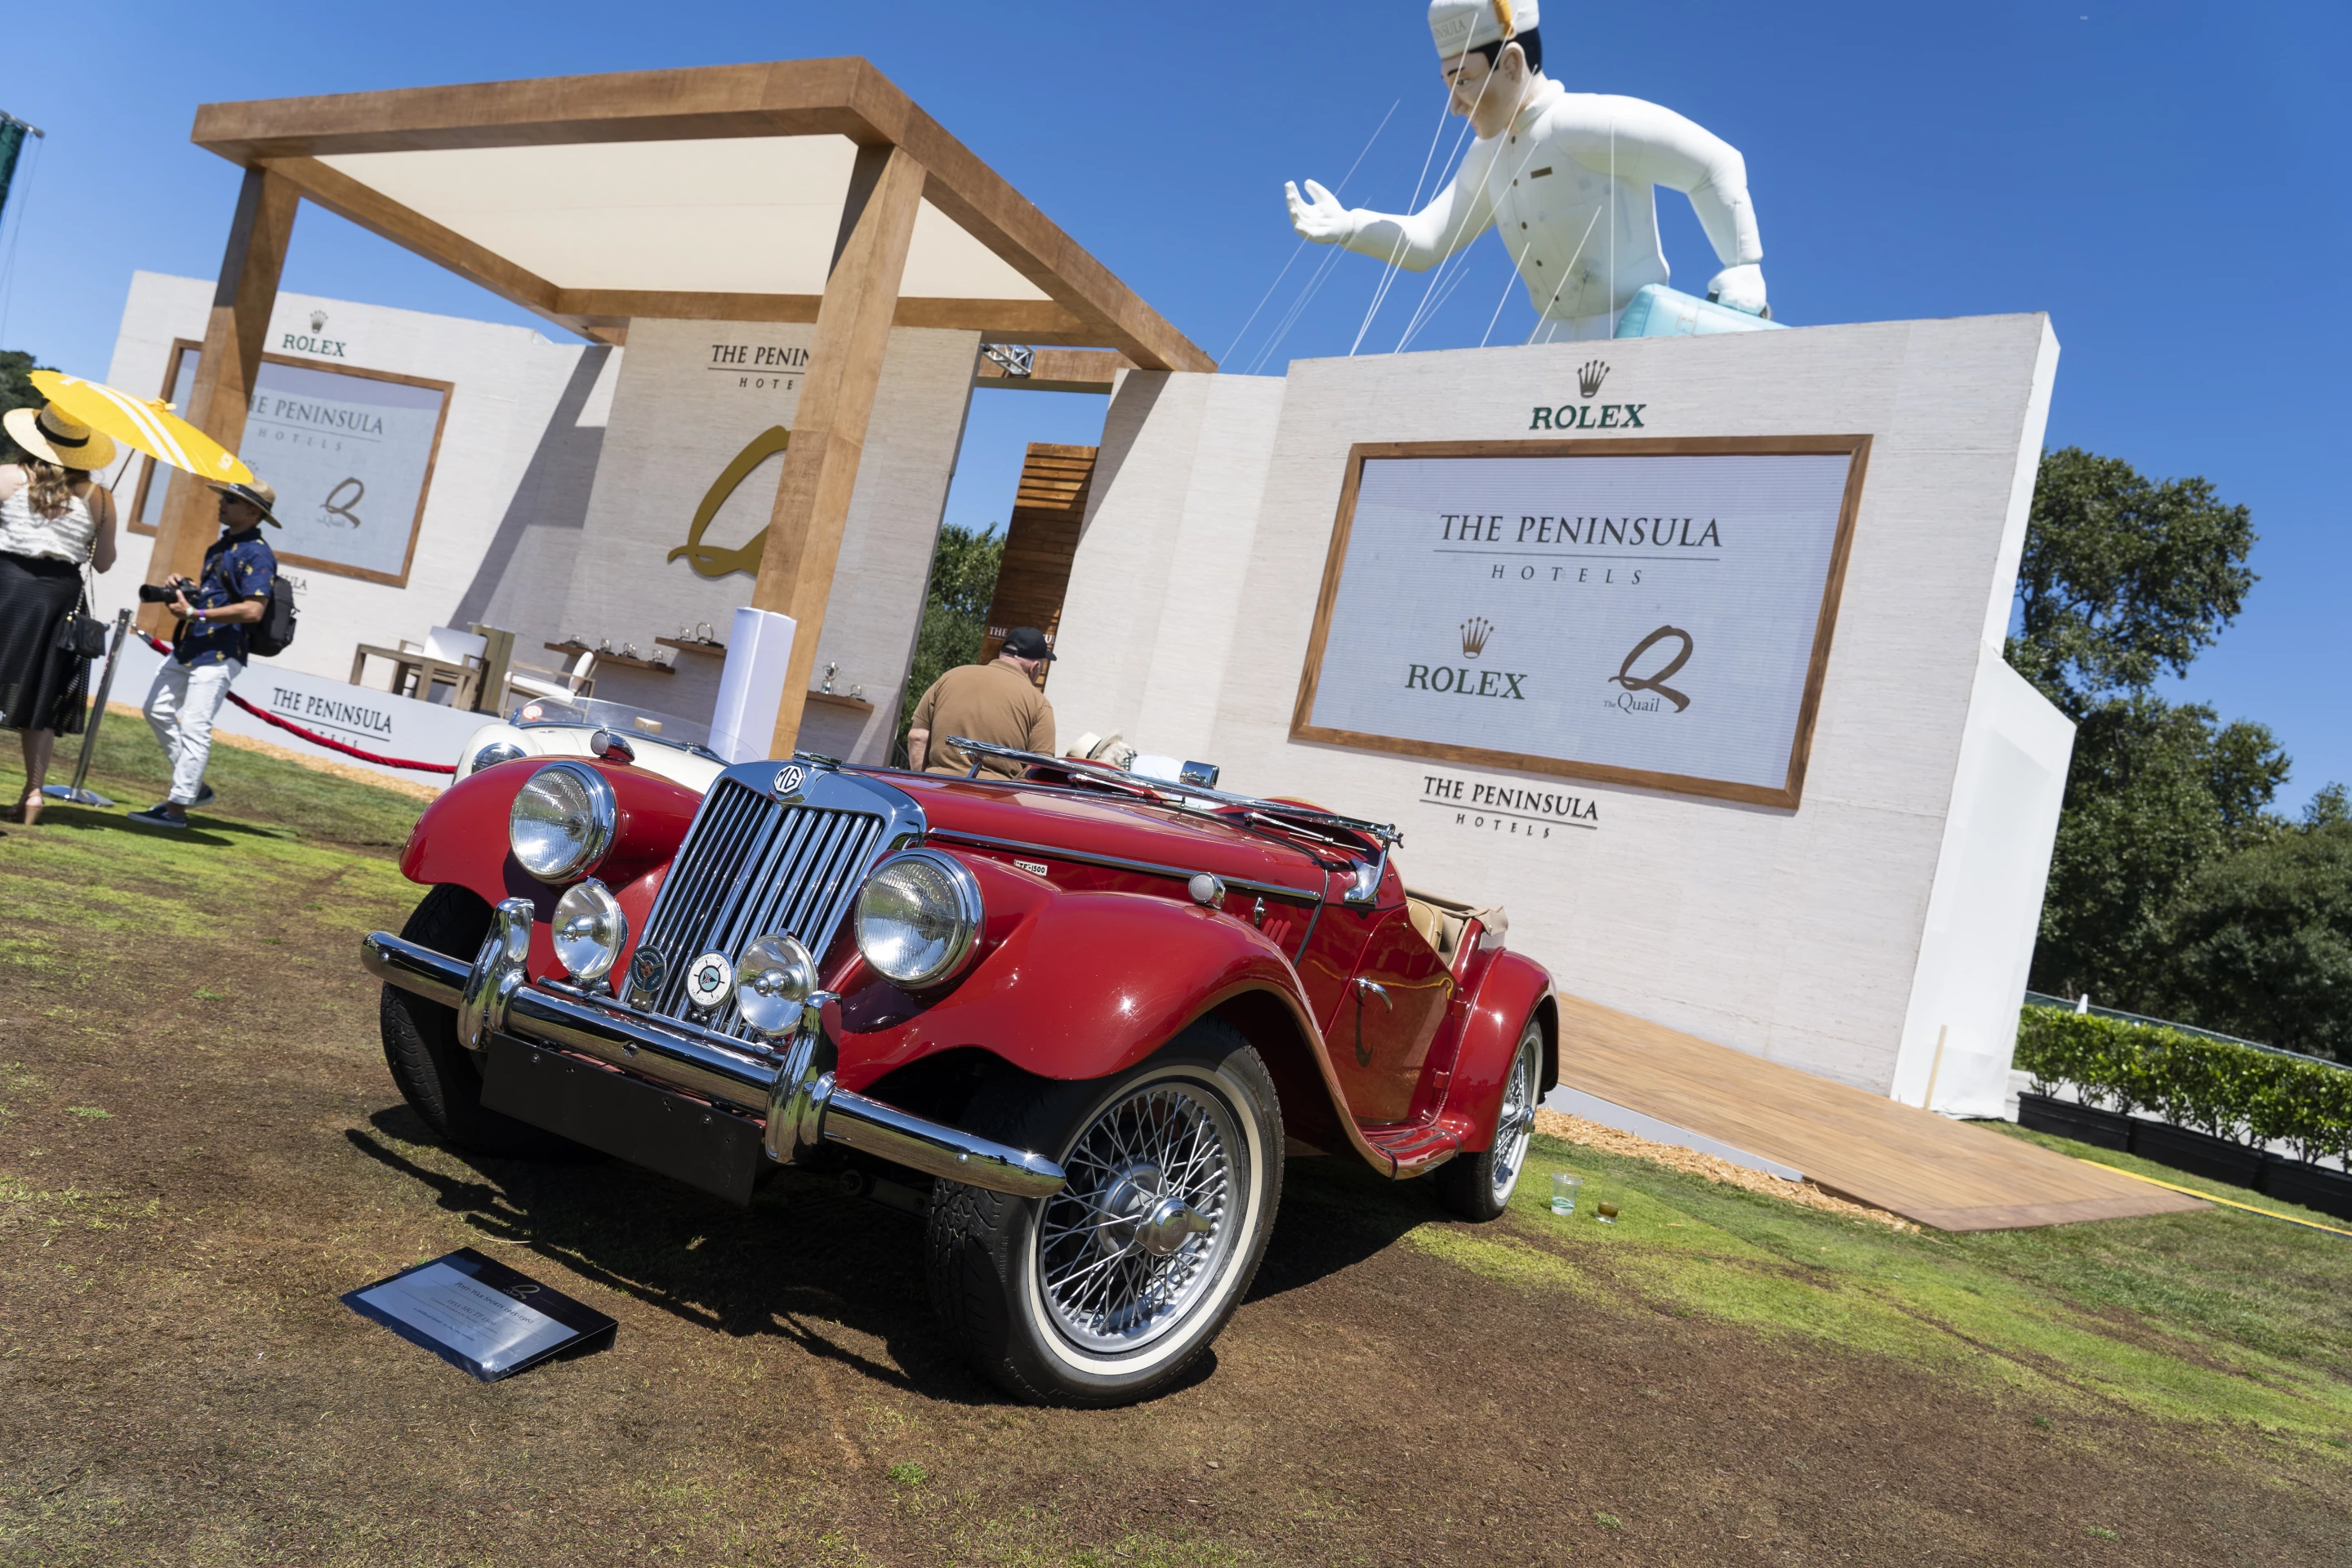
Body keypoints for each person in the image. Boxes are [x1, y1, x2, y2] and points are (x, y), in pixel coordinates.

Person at [1284, 0, 1769, 341]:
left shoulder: (1585, 123)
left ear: (1512, 64)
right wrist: (1350, 226)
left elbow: (1714, 163)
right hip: (1549, 341)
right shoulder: (1487, 156)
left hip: (1635, 330)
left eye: (1465, 81)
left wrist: (1743, 268)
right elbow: (1428, 242)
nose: (1455, 106)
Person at [128, 479, 280, 830]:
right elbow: (221, 597)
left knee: (195, 726)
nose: (221, 503)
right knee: (156, 709)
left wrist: (196, 614)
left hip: (221, 651)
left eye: (230, 499)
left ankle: (177, 809)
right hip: (193, 645)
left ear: (253, 511)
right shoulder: (221, 546)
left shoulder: (258, 553)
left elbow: (253, 610)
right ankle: (192, 789)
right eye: (224, 497)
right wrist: (190, 593)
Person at [0, 403, 118, 826]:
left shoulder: (8, 477)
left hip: (7, 586)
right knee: (41, 695)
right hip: (60, 599)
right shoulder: (99, 497)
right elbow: (103, 563)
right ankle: (33, 795)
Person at [905, 626, 1057, 777]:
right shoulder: (1039, 704)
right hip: (993, 797)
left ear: (1003, 654)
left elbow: (917, 737)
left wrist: (923, 783)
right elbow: (1040, 769)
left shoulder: (949, 678)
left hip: (935, 790)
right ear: (1035, 668)